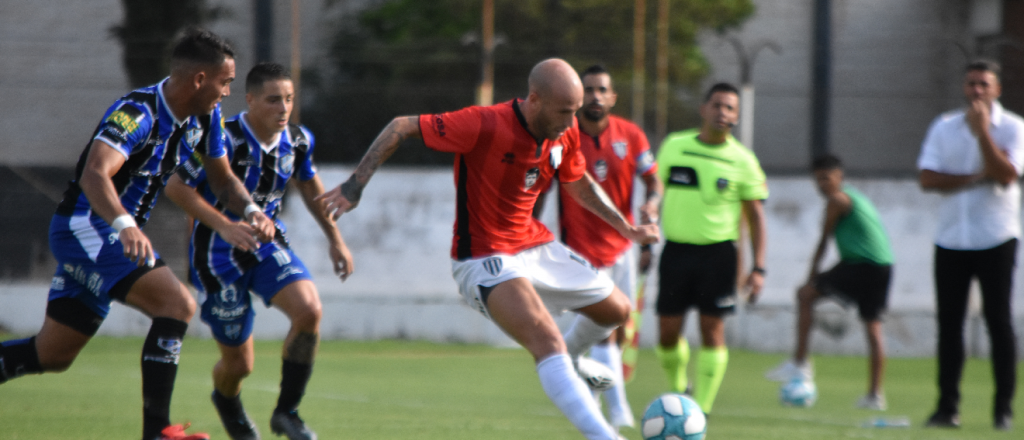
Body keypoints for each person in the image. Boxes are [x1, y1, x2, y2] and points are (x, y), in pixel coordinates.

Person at [317, 58, 659, 440]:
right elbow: (401, 126)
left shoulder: (566, 130)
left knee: (617, 309)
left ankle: (571, 362)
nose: (571, 121)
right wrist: (354, 185)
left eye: (575, 112)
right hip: (483, 256)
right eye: (564, 111)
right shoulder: (483, 123)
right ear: (534, 100)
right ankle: (606, 435)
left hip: (535, 244)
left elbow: (577, 184)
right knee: (546, 341)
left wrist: (627, 229)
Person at [0, 28, 275, 440]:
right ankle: (157, 432)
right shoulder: (138, 112)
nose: (228, 91)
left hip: (107, 235)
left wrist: (251, 210)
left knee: (52, 354)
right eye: (226, 81)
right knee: (177, 304)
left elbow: (223, 181)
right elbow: (96, 173)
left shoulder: (206, 117)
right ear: (200, 79)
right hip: (85, 227)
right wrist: (125, 224)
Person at [166, 62, 352, 440]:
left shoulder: (298, 141)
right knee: (239, 364)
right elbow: (175, 188)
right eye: (273, 100)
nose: (283, 108)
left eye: (289, 99)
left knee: (310, 310)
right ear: (249, 100)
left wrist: (336, 239)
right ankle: (227, 403)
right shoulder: (222, 139)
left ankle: (288, 413)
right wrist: (224, 225)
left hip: (267, 248)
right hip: (217, 257)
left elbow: (310, 187)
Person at [534, 64, 663, 429]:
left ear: (613, 97)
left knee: (616, 329)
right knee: (600, 329)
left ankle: (594, 401)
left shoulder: (632, 136)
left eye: (601, 90)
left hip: (622, 250)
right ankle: (618, 412)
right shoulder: (563, 136)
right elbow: (543, 186)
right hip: (579, 254)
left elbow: (653, 181)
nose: (594, 96)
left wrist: (651, 206)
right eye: (588, 90)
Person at [917, 60, 1021, 431]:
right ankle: (947, 407)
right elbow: (927, 178)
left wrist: (982, 136)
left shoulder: (1013, 127)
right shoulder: (943, 127)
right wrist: (976, 177)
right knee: (949, 325)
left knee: (998, 322)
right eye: (971, 84)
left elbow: (1007, 175)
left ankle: (1002, 409)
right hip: (951, 239)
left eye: (984, 84)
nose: (976, 90)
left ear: (997, 90)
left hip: (995, 237)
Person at [653, 82, 768, 415]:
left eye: (730, 108)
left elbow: (757, 218)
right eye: (717, 105)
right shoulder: (675, 146)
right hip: (675, 251)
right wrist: (647, 225)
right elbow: (655, 191)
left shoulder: (743, 160)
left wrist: (758, 268)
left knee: (711, 329)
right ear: (703, 109)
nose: (723, 113)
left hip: (718, 256)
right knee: (667, 332)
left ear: (736, 116)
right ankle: (678, 390)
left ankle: (699, 411)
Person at [764, 154, 893, 411]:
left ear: (839, 177)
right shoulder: (855, 197)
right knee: (874, 329)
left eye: (826, 178)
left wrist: (810, 278)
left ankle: (800, 363)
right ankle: (875, 396)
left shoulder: (837, 200)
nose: (821, 184)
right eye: (817, 180)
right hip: (882, 265)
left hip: (861, 265)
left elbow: (823, 243)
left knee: (805, 295)